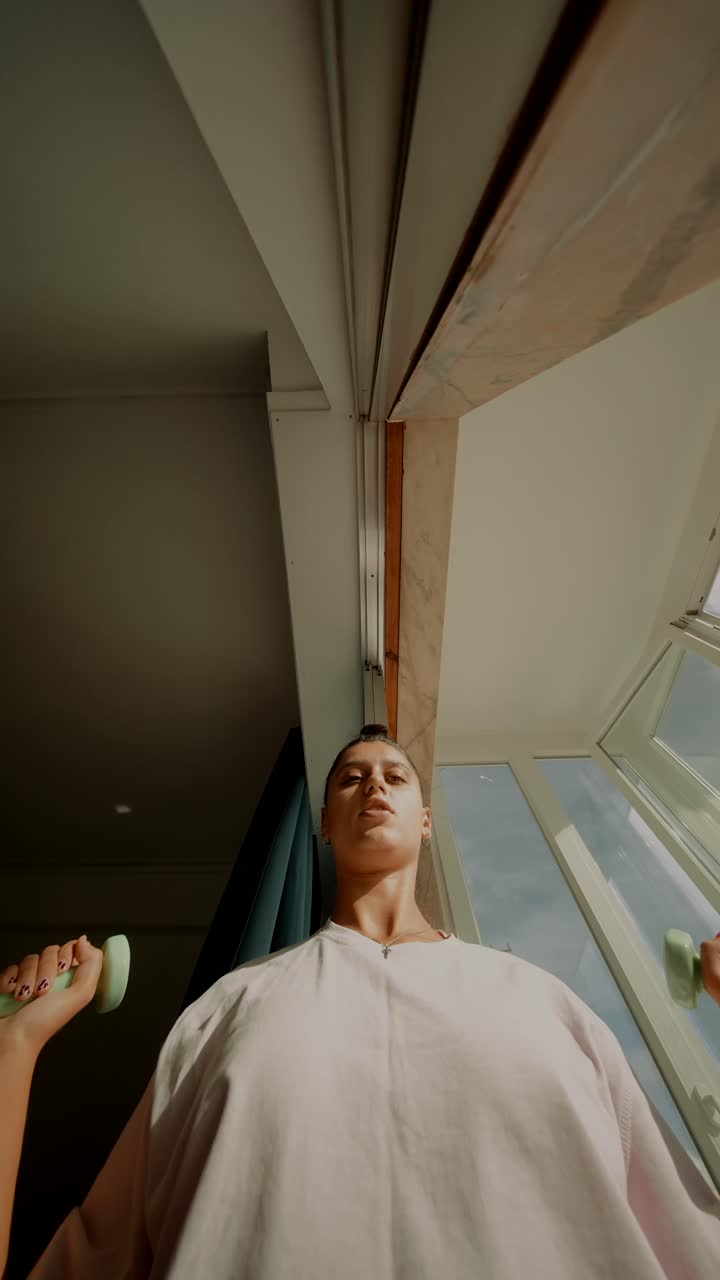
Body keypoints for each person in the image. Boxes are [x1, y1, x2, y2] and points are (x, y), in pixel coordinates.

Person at [2, 723, 720, 1279]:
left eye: (393, 777)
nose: (373, 786)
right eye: (350, 778)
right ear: (323, 821)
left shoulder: (545, 1003)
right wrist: (15, 1044)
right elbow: (86, 1263)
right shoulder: (225, 1009)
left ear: (426, 819)